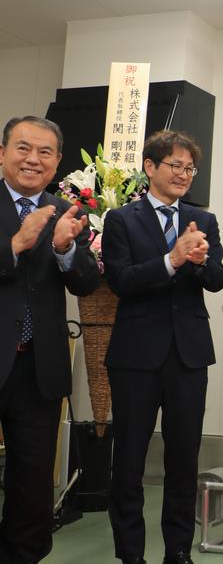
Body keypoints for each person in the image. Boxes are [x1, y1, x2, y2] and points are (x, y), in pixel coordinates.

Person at [102, 130, 223, 564]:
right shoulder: (121, 219)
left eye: (190, 168)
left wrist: (201, 261)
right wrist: (172, 260)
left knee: (184, 459)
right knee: (129, 460)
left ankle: (178, 551)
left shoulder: (203, 220)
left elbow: (218, 280)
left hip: (189, 355)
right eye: (176, 165)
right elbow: (120, 280)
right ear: (150, 167)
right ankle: (130, 554)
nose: (184, 175)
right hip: (135, 356)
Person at [0, 116, 100, 563]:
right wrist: (14, 245)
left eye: (45, 152)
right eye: (23, 148)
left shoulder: (67, 212)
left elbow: (87, 284)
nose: (33, 159)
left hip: (39, 368)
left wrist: (64, 250)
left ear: (57, 162)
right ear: (2, 153)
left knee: (32, 480)